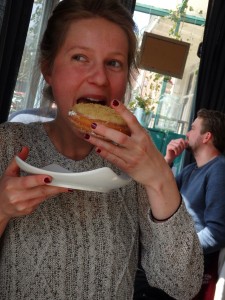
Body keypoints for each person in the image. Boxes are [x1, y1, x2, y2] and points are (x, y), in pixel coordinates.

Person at [0, 0, 203, 299]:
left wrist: (159, 178)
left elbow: (182, 285)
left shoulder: (134, 166)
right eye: (80, 57)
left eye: (114, 63)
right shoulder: (7, 144)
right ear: (48, 70)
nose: (99, 78)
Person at [165, 108, 225, 299]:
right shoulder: (191, 169)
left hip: (191, 270)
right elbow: (163, 198)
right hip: (173, 260)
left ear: (206, 136)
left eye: (192, 128)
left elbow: (217, 233)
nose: (187, 134)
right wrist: (168, 160)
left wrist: (177, 249)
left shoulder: (219, 171)